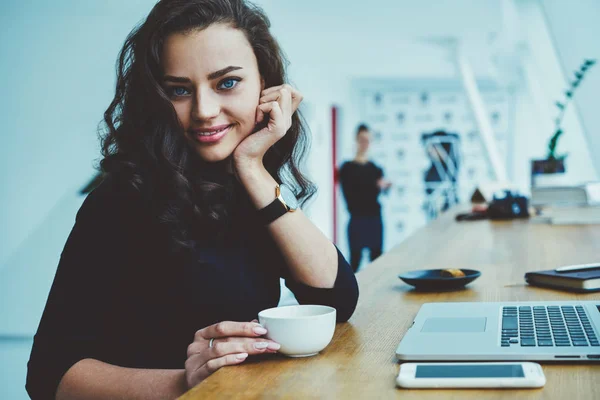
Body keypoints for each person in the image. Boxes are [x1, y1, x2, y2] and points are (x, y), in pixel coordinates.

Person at [25, 1, 359, 399]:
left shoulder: (243, 187)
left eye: (227, 83)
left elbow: (335, 297)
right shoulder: (119, 202)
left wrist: (252, 166)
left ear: (265, 86)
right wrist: (187, 383)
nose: (204, 110)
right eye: (179, 90)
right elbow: (49, 375)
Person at [339, 124, 391, 273]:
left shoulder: (375, 168)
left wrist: (384, 186)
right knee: (355, 260)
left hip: (374, 218)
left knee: (377, 259)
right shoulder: (347, 168)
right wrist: (375, 185)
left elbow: (377, 193)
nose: (365, 144)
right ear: (356, 140)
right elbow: (351, 194)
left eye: (368, 140)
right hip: (357, 219)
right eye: (362, 139)